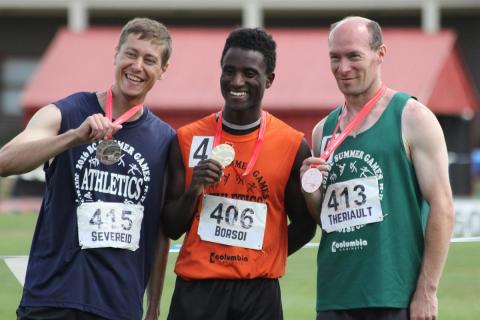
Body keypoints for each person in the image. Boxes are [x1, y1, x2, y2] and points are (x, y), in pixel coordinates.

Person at [0, 17, 175, 320]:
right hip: (50, 299)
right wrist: (73, 137)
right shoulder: (67, 112)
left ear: (162, 71)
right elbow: (5, 161)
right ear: (116, 55)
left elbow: (161, 231)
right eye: (130, 54)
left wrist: (155, 306)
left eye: (149, 60)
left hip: (117, 307)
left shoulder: (165, 140)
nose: (137, 66)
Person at [300, 16, 455, 320]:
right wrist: (311, 190)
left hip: (395, 295)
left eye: (354, 56)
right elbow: (327, 219)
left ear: (380, 54)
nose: (343, 67)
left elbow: (443, 206)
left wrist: (427, 290)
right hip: (335, 295)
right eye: (335, 57)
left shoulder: (411, 117)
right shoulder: (323, 130)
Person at [162, 27, 316, 320]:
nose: (237, 81)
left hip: (258, 295)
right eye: (229, 71)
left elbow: (305, 225)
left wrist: (264, 254)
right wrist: (194, 189)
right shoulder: (187, 139)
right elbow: (171, 226)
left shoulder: (292, 145)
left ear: (269, 79)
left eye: (249, 73)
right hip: (196, 294)